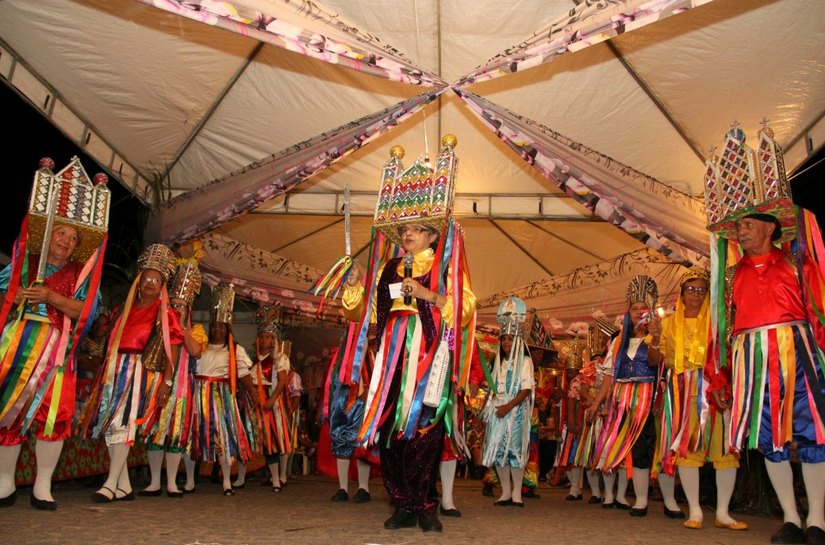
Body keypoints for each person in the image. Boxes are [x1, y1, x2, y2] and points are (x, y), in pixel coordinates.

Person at [339, 136, 475, 533]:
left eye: (418, 229)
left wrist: (430, 294)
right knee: (390, 429)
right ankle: (401, 503)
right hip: (391, 360)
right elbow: (359, 313)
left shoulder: (445, 270)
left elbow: (464, 309)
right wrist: (352, 284)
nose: (409, 235)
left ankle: (426, 504)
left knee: (426, 430)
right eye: (405, 229)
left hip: (427, 357)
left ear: (434, 235)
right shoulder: (388, 269)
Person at [717, 213, 825, 544]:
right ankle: (791, 519)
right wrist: (722, 375)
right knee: (768, 440)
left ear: (770, 228)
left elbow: (819, 315)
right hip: (753, 362)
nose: (741, 231)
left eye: (748, 224)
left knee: (814, 437)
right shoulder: (731, 276)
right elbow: (724, 330)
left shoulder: (797, 264)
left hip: (800, 356)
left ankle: (817, 521)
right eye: (737, 226)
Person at [0, 224, 102, 510]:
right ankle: (4, 483)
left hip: (57, 350)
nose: (66, 241)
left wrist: (52, 298)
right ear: (48, 235)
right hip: (16, 344)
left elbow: (88, 312)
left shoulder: (81, 274)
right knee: (8, 411)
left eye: (73, 238)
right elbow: (1, 295)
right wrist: (14, 296)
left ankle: (43, 485)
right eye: (61, 233)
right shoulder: (23, 264)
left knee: (53, 414)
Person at [82, 243, 183, 503]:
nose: (150, 283)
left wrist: (167, 381)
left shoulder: (166, 314)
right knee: (110, 425)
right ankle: (124, 485)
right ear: (138, 281)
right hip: (115, 369)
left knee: (124, 424)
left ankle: (111, 482)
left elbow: (173, 350)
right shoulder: (120, 310)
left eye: (156, 280)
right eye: (146, 277)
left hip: (140, 372)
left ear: (163, 286)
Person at [658, 266, 745, 530]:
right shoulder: (668, 323)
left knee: (725, 448)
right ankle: (695, 510)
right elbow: (658, 361)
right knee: (687, 449)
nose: (696, 294)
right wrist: (652, 338)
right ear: (682, 293)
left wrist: (725, 383)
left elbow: (729, 354)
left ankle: (723, 512)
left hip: (715, 387)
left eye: (701, 290)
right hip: (682, 391)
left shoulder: (717, 323)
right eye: (691, 289)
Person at [589, 275, 680, 517]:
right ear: (629, 311)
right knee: (638, 449)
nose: (640, 312)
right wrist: (597, 403)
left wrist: (656, 337)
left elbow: (655, 362)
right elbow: (610, 375)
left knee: (660, 447)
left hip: (652, 396)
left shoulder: (661, 334)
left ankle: (670, 501)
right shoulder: (619, 340)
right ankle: (641, 500)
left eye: (644, 308)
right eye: (635, 308)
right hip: (624, 400)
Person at [140, 254, 206, 498]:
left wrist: (182, 328)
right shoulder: (160, 326)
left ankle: (171, 482)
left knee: (177, 434)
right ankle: (154, 482)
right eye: (173, 304)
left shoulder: (196, 330)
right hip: (158, 384)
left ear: (189, 308)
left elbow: (195, 351)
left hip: (182, 390)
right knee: (156, 431)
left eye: (181, 305)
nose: (176, 308)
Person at [190, 284, 259, 496]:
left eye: (222, 326)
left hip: (220, 396)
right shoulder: (200, 346)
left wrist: (255, 398)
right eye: (215, 326)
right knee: (193, 435)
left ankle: (227, 482)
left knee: (224, 437)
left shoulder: (234, 350)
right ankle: (190, 481)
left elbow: (244, 375)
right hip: (198, 394)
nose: (217, 329)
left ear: (228, 328)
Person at [481, 297, 534, 508]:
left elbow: (526, 389)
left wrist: (508, 407)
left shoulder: (526, 361)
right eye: (504, 339)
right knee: (498, 452)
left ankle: (517, 493)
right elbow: (492, 389)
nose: (506, 342)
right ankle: (505, 492)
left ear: (518, 341)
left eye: (510, 339)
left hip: (515, 412)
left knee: (515, 451)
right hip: (497, 411)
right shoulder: (498, 364)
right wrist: (486, 412)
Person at [234, 309, 291, 493]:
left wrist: (271, 401)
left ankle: (275, 479)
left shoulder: (279, 359)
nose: (264, 340)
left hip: (268, 399)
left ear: (273, 340)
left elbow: (282, 381)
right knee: (247, 437)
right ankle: (240, 478)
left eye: (268, 337)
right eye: (262, 336)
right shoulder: (252, 360)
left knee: (270, 439)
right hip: (251, 400)